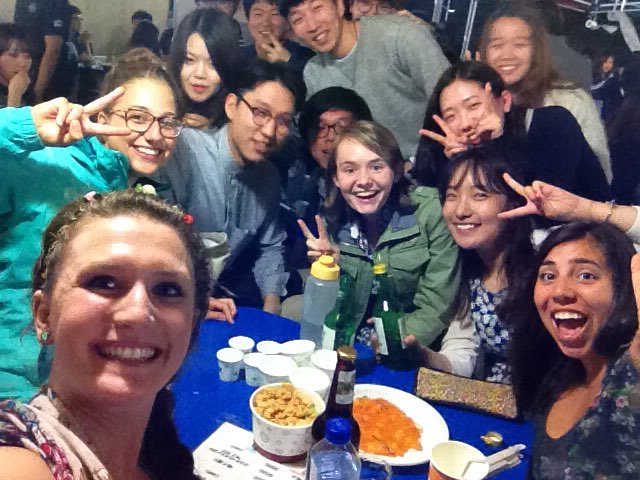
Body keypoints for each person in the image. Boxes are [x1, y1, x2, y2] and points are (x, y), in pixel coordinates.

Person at [0, 48, 185, 401]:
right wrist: (24, 126)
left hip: (82, 384)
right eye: (137, 117)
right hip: (16, 387)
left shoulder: (135, 193)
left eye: (167, 122)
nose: (154, 134)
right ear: (103, 117)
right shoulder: (46, 163)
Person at [0, 189, 210, 479]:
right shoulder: (18, 463)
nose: (138, 313)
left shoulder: (159, 456)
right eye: (103, 282)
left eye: (167, 289)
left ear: (192, 324)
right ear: (44, 314)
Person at [155, 59, 305, 315]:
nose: (269, 131)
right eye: (260, 112)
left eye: (283, 121)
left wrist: (271, 303)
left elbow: (270, 246)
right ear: (232, 106)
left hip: (214, 302)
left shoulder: (267, 178)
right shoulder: (185, 151)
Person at [299, 121, 459, 352]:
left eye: (376, 167)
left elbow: (436, 305)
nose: (364, 181)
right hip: (349, 337)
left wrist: (389, 343)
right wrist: (330, 272)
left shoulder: (429, 212)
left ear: (397, 171)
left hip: (407, 342)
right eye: (350, 170)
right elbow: (333, 310)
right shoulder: (332, 220)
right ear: (336, 178)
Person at [503, 221, 640, 478]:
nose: (560, 292)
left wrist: (588, 209)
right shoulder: (557, 369)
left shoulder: (629, 375)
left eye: (585, 275)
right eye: (548, 276)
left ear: (623, 288)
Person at [405, 146, 534, 383]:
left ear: (514, 203)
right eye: (452, 196)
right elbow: (462, 351)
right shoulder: (467, 265)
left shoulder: (545, 255)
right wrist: (423, 355)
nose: (461, 210)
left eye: (479, 195)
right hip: (492, 395)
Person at [415, 61, 610, 203]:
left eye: (473, 106)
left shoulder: (553, 124)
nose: (465, 123)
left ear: (505, 101)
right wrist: (458, 164)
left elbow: (543, 206)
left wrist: (496, 144)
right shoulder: (453, 154)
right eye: (451, 116)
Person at [279, 0, 449, 158]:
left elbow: (452, 100)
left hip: (433, 161)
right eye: (298, 19)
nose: (312, 26)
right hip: (367, 171)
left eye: (318, 9)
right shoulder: (314, 72)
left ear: (340, 6)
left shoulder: (401, 35)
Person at [477, 3, 612, 182]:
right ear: (483, 52)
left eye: (519, 44)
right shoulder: (475, 103)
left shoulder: (570, 101)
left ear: (536, 50)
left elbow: (600, 174)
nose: (507, 54)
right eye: (497, 45)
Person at [169, 9, 242, 129]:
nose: (200, 74)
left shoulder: (239, 115)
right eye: (190, 60)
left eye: (212, 64)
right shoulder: (159, 102)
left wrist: (210, 133)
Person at [13, 0, 70, 102]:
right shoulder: (22, 2)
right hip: (23, 75)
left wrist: (38, 91)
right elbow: (17, 38)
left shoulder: (56, 3)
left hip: (47, 80)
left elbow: (53, 49)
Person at [243, 0, 313, 73]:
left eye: (275, 14)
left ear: (288, 22)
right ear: (248, 21)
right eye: (258, 14)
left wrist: (288, 60)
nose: (265, 23)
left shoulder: (306, 58)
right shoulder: (238, 57)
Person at [0, 23, 32, 108]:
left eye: (27, 56)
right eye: (13, 55)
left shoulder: (27, 87)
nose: (23, 64)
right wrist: (14, 96)